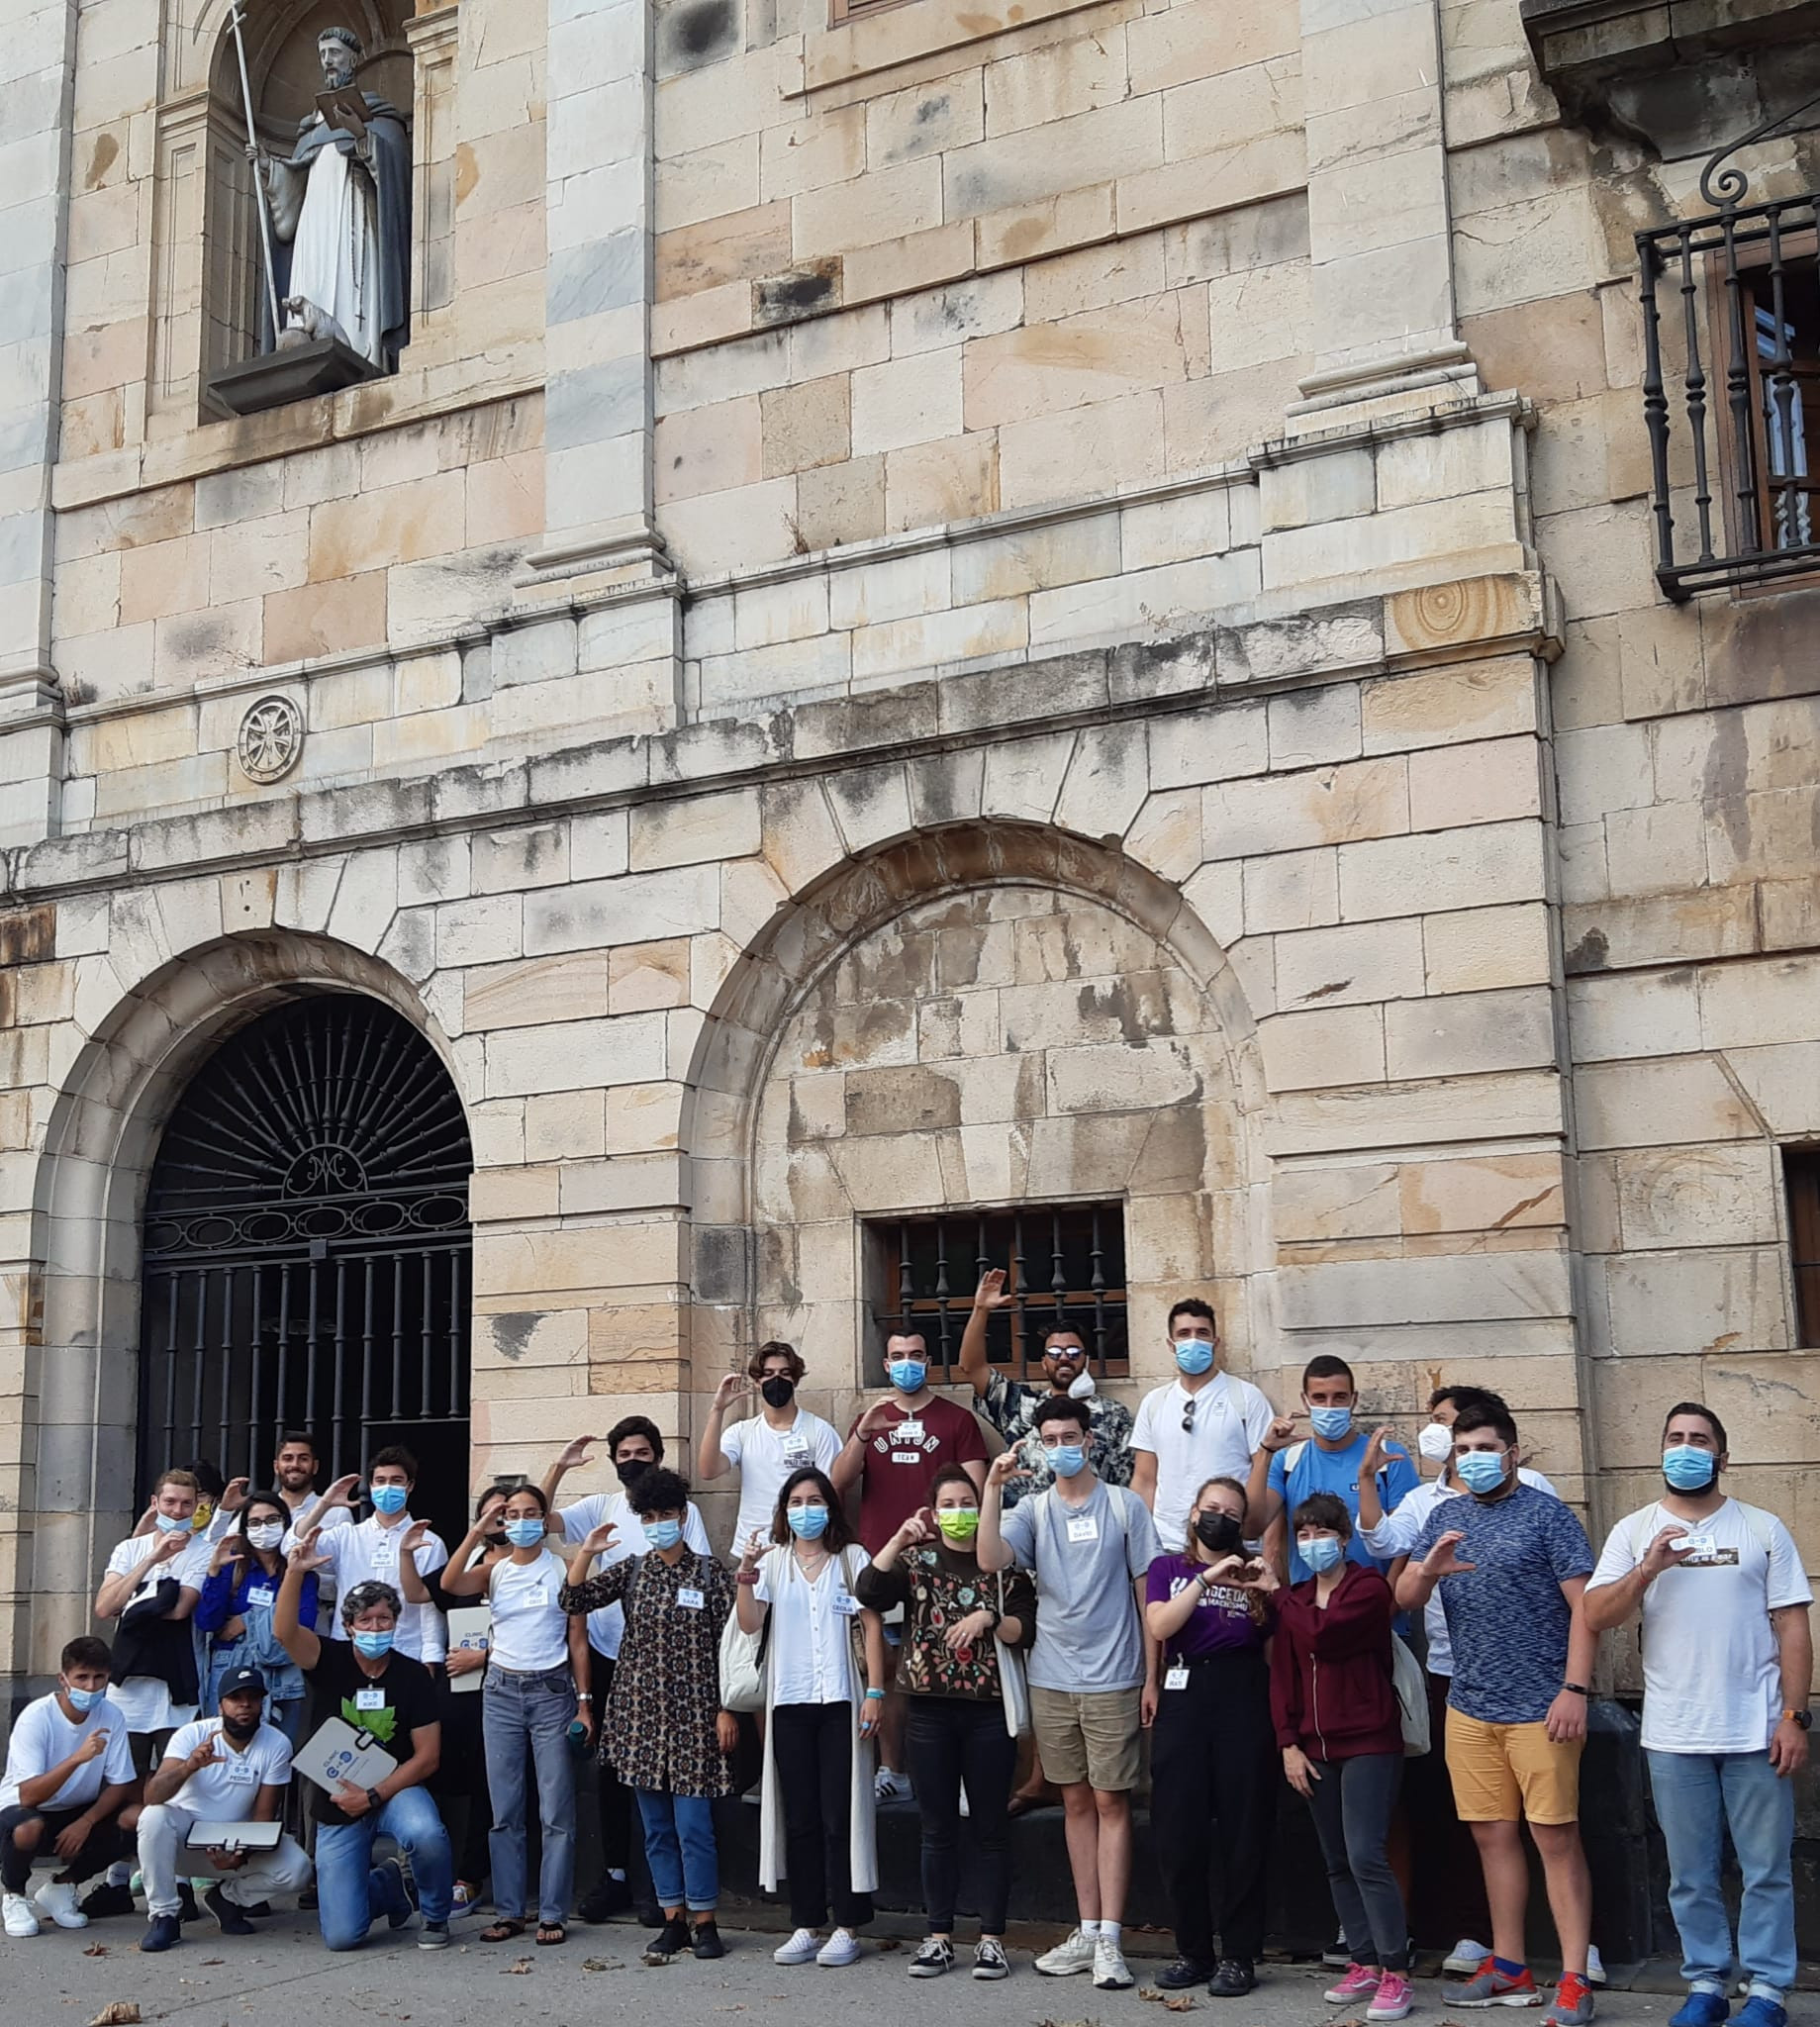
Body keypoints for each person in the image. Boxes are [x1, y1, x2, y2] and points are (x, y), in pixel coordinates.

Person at [1584, 1403, 1813, 2027]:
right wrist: (1648, 1569)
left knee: (1766, 1869)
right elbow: (1596, 1614)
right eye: (1676, 1439)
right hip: (1674, 1733)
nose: (1686, 1448)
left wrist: (1794, 1715)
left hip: (1757, 1729)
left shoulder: (1763, 1528)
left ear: (1722, 1456)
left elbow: (1793, 1625)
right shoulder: (1635, 1530)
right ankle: (1707, 1982)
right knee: (1690, 1873)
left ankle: (1767, 1991)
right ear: (1661, 1451)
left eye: (1700, 1440)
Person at [1357, 1386, 1589, 1984]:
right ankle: (1509, 1963)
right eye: (1462, 1448)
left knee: (1555, 1841)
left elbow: (1585, 1610)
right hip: (1468, 1704)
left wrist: (1576, 1690)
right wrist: (1426, 1573)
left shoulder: (1547, 1515)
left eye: (1485, 1446)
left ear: (1512, 1454)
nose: (1472, 1456)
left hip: (1542, 1706)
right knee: (1492, 1838)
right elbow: (1404, 1598)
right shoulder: (1442, 1516)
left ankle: (1573, 1977)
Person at [978, 1395, 1161, 1994]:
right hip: (1052, 1677)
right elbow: (989, 1558)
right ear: (1038, 1443)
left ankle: (1111, 1936)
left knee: (1113, 1804)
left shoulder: (1124, 1505)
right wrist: (991, 1490)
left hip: (1115, 1676)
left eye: (1070, 1436)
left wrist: (1152, 1676)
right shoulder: (1031, 1509)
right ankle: (1086, 1929)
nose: (1062, 1447)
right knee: (1075, 1804)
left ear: (1089, 1439)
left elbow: (1146, 1594)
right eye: (1050, 1438)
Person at [854, 1464, 1037, 1980]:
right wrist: (896, 1540)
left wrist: (990, 1619)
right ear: (934, 1513)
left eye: (967, 1503)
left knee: (990, 1829)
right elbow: (870, 1593)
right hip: (929, 1711)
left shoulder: (1002, 1567)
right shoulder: (915, 1562)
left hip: (988, 1710)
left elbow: (1025, 1629)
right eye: (949, 1505)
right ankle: (938, 1936)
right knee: (936, 1829)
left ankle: (992, 1938)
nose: (959, 1513)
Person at [558, 1468, 738, 1966]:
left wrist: (726, 1708)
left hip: (695, 1716)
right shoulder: (633, 1570)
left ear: (682, 1516)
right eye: (650, 1516)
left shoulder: (709, 1573)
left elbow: (732, 1644)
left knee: (694, 1825)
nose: (660, 1524)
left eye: (667, 1515)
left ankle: (705, 1920)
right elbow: (572, 1600)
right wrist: (587, 1554)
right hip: (638, 1716)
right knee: (656, 1827)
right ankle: (672, 1917)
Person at [542, 1417, 712, 1922]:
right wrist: (559, 1468)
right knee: (614, 1771)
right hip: (609, 1656)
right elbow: (541, 1518)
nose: (632, 1460)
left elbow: (700, 1579)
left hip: (669, 1667)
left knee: (666, 1779)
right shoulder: (601, 1508)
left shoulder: (687, 1515)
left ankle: (666, 1893)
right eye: (623, 1453)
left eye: (642, 1452)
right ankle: (616, 1874)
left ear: (657, 1456)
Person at [411, 1483, 587, 1948]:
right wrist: (476, 1532)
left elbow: (577, 1640)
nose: (522, 1521)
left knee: (556, 1809)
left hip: (551, 1691)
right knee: (504, 1809)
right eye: (513, 1513)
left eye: (532, 1512)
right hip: (501, 1691)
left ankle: (553, 1911)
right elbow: (448, 1584)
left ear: (545, 1518)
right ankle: (510, 1911)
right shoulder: (494, 1570)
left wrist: (585, 1703)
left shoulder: (563, 1569)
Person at [736, 1466, 887, 1969]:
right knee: (799, 1818)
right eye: (796, 1502)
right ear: (784, 1511)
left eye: (815, 1500)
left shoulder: (851, 1558)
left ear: (831, 1506)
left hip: (842, 1701)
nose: (806, 1511)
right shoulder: (774, 1562)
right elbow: (750, 1622)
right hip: (790, 1703)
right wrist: (745, 1575)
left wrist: (875, 1692)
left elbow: (870, 1624)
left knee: (839, 1815)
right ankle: (806, 1922)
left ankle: (847, 1924)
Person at [1272, 1494, 1412, 2020]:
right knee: (1336, 1861)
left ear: (1345, 1538)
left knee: (1366, 1856)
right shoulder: (1298, 1596)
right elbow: (1283, 1673)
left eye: (1322, 1534)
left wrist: (1278, 1596)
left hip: (1369, 1741)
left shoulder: (1368, 1588)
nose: (1313, 1545)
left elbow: (1324, 1638)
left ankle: (1396, 1970)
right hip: (1313, 1748)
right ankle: (1364, 1961)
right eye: (1303, 1535)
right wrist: (1288, 1742)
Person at [832, 1328, 987, 1801]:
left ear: (929, 1360)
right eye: (898, 1356)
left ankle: (959, 1777)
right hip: (884, 1562)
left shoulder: (957, 1420)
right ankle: (893, 1772)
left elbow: (977, 1494)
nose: (907, 1363)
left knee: (954, 1662)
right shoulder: (871, 1419)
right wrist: (863, 1433)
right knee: (888, 1667)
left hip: (945, 1566)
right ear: (885, 1364)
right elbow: (837, 1482)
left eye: (916, 1355)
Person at [273, 1550, 453, 1952]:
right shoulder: (328, 1659)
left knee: (427, 1834)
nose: (376, 1627)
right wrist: (294, 1573)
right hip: (337, 1795)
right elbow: (284, 1632)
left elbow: (428, 1757)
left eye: (384, 1619)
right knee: (342, 1937)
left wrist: (373, 1795)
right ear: (349, 1626)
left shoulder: (412, 1675)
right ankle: (390, 1885)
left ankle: (436, 1914)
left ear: (395, 1622)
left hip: (393, 1787)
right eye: (366, 1621)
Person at [1144, 1475, 1279, 1998]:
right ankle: (1193, 1950)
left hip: (1242, 1695)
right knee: (1180, 1829)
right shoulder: (1168, 1569)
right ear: (1195, 1513)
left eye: (1230, 1510)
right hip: (1184, 1691)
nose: (1219, 1517)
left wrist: (1264, 1589)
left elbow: (1273, 1646)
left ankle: (1240, 1955)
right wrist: (1206, 1579)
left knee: (1244, 1830)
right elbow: (1159, 1627)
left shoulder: (1255, 1574)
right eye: (1211, 1507)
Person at [86, 1468, 212, 1918]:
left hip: (174, 1686)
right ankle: (117, 1879)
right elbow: (104, 1607)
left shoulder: (204, 1550)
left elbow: (178, 1610)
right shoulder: (130, 1548)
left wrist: (134, 1601)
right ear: (156, 1503)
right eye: (170, 1502)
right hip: (127, 1689)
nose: (178, 1512)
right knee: (125, 1787)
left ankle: (179, 1885)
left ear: (197, 1507)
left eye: (187, 1504)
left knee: (175, 1787)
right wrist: (152, 1562)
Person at [134, 1667, 312, 1953]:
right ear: (221, 1705)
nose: (245, 1705)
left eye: (253, 1698)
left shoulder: (276, 1743)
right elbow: (152, 1796)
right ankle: (164, 1915)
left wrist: (241, 1856)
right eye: (236, 1698)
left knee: (297, 1868)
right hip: (183, 1844)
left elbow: (264, 1816)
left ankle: (228, 1899)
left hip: (235, 1843)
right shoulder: (192, 1735)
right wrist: (188, 1767)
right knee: (153, 1817)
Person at [415, 1483, 513, 1917]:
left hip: (509, 1684)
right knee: (443, 1772)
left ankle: (470, 1876)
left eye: (508, 1515)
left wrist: (485, 1656)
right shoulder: (470, 1562)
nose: (500, 1522)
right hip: (459, 1686)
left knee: (487, 1784)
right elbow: (431, 1593)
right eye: (492, 1514)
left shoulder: (527, 1565)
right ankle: (428, 1867)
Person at [0, 1637, 140, 1939]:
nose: (91, 1687)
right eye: (82, 1677)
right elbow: (29, 1795)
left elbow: (122, 1783)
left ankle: (62, 1886)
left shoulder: (112, 1715)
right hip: (26, 1809)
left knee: (135, 1819)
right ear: (63, 1679)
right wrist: (78, 1758)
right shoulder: (37, 1718)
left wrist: (86, 1822)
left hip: (78, 1809)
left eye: (99, 1677)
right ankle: (14, 1895)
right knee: (28, 1827)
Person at [956, 1271, 1134, 1501]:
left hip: (1094, 1526)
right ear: (1043, 1362)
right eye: (1054, 1352)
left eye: (1072, 1352)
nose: (1063, 1358)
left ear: (1086, 1359)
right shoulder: (1019, 1405)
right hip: (1028, 1529)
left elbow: (1129, 1480)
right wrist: (981, 1309)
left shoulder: (1113, 1415)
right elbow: (971, 1367)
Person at [1249, 1357, 1420, 1582]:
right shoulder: (1287, 1461)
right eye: (1319, 1398)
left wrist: (1389, 1601)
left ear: (1354, 1400)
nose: (1329, 1407)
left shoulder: (1387, 1457)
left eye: (1339, 1397)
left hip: (1375, 1605)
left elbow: (1407, 1543)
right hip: (1309, 1608)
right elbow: (1251, 1528)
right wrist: (1264, 1452)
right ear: (1305, 1401)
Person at [1131, 1300, 1276, 1553]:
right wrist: (1141, 1542)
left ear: (1215, 1342)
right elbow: (1144, 1480)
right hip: (1168, 1545)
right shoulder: (1154, 1403)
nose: (1193, 1341)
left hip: (1232, 1544)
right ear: (1171, 1344)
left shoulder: (1246, 1397)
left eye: (1202, 1333)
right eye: (1184, 1334)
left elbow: (1266, 1474)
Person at [297, 1448, 449, 1664]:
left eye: (396, 1480)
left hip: (407, 1652)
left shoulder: (430, 1543)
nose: (388, 1487)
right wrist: (324, 1505)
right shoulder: (346, 1536)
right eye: (380, 1480)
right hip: (348, 1650)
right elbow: (293, 1547)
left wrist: (432, 1657)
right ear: (371, 1486)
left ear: (410, 1486)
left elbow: (431, 1606)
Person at [697, 1341, 843, 1555]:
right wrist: (717, 1410)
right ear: (757, 1381)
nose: (777, 1379)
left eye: (784, 1373)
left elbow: (832, 1492)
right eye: (768, 1373)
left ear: (795, 1378)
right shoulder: (742, 1432)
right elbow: (708, 1471)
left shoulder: (819, 1431)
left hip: (803, 1549)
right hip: (752, 1550)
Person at [196, 1491, 319, 1742]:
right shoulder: (232, 1566)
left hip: (283, 1669)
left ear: (286, 1523)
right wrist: (215, 1571)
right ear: (245, 1528)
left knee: (280, 1752)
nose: (264, 1528)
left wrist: (246, 1621)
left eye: (272, 1520)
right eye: (255, 1522)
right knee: (225, 1746)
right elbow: (208, 1622)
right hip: (232, 1665)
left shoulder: (301, 1572)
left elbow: (302, 1624)